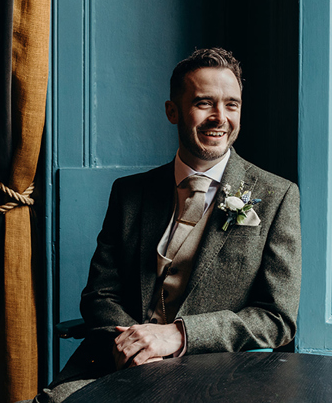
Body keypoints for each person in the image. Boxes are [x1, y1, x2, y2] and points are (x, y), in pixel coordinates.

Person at [37, 47, 301, 402]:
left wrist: (178, 335)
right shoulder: (130, 194)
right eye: (204, 103)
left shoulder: (276, 195)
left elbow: (277, 318)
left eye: (232, 104)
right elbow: (100, 294)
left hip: (214, 375)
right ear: (172, 111)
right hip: (116, 366)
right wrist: (135, 343)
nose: (219, 118)